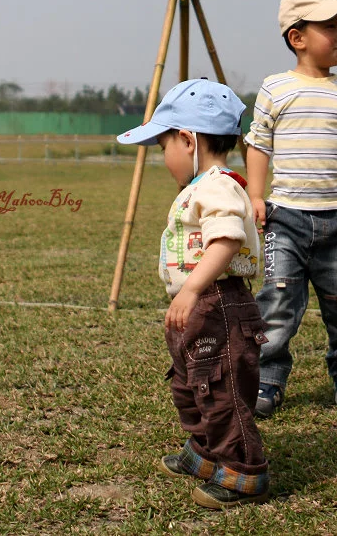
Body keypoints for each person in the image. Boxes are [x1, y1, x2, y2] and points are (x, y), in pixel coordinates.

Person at [117, 79, 270, 510]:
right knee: (193, 383)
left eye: (164, 146)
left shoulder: (217, 186)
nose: (163, 158)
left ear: (188, 140)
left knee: (221, 390)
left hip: (219, 303)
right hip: (202, 306)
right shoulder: (202, 186)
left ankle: (243, 472)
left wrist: (193, 290)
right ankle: (206, 453)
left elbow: (226, 238)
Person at [245, 0, 337, 417]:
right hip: (285, 218)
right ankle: (268, 376)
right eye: (331, 26)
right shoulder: (274, 89)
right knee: (277, 299)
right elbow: (258, 145)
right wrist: (254, 193)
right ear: (298, 37)